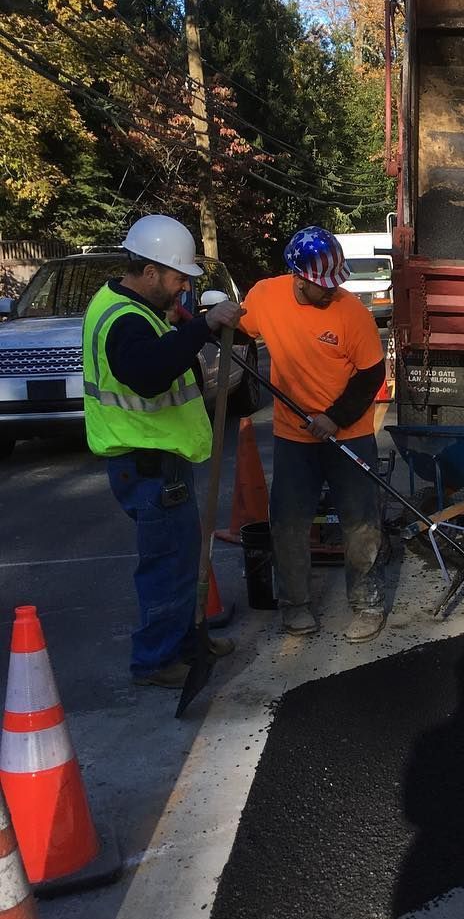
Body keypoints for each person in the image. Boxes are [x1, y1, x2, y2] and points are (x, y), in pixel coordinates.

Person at [83, 214, 243, 688]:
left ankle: (187, 641)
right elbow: (150, 376)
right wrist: (202, 326)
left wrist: (181, 326)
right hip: (148, 465)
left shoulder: (131, 306)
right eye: (178, 278)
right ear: (150, 271)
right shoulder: (125, 320)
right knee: (167, 566)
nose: (183, 288)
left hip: (159, 460)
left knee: (182, 558)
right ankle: (155, 661)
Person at [238, 226, 387, 642]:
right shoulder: (265, 296)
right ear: (298, 278)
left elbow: (371, 375)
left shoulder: (351, 313)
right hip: (293, 436)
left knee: (360, 521)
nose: (331, 290)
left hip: (349, 434)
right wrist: (212, 320)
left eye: (335, 282)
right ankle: (296, 605)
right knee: (288, 523)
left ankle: (367, 603)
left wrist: (334, 418)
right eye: (323, 284)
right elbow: (240, 329)